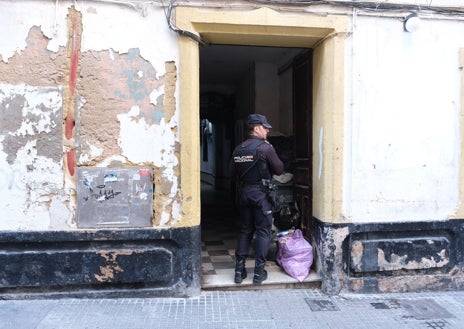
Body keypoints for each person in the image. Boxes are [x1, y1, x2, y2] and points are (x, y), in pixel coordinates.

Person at [230, 114, 284, 285]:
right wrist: (271, 150)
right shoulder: (265, 148)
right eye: (265, 127)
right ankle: (259, 273)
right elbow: (279, 169)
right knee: (263, 232)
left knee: (246, 230)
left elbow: (232, 174)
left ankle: (239, 271)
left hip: (244, 193)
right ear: (256, 128)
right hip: (261, 195)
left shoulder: (238, 149)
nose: (268, 130)